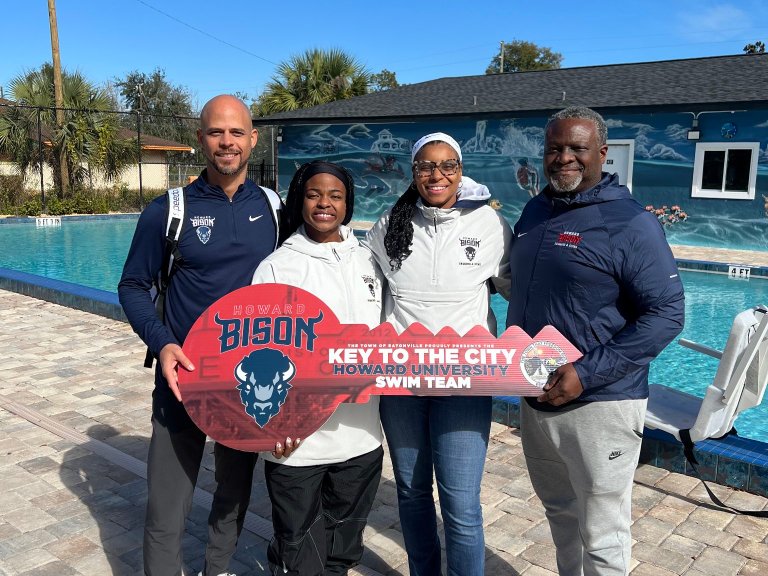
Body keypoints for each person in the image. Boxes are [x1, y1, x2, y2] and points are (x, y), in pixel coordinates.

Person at [506, 106, 685, 576]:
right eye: (554, 148)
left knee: (603, 534)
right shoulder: (536, 208)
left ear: (602, 154)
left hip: (599, 403)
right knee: (561, 516)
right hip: (535, 397)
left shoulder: (630, 223)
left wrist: (585, 374)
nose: (564, 158)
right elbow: (523, 284)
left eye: (577, 149)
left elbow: (667, 313)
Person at [118, 94, 285, 576]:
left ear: (253, 139)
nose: (227, 142)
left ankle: (218, 568)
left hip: (247, 383)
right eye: (216, 132)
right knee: (166, 509)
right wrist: (163, 342)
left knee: (233, 496)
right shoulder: (168, 210)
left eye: (236, 132)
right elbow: (132, 285)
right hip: (183, 378)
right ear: (201, 140)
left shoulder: (273, 208)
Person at [366, 132, 512, 576]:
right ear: (413, 173)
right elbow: (366, 294)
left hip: (464, 383)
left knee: (461, 503)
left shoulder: (488, 226)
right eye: (426, 166)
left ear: (460, 171)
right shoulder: (389, 223)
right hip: (401, 383)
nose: (437, 174)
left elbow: (519, 291)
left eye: (448, 165)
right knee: (411, 491)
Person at [252, 160, 384, 575]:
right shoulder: (277, 267)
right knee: (300, 552)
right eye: (313, 194)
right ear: (299, 200)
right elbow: (256, 355)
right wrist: (271, 424)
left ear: (348, 203)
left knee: (343, 552)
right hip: (299, 444)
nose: (324, 203)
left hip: (361, 436)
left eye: (335, 195)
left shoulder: (368, 260)